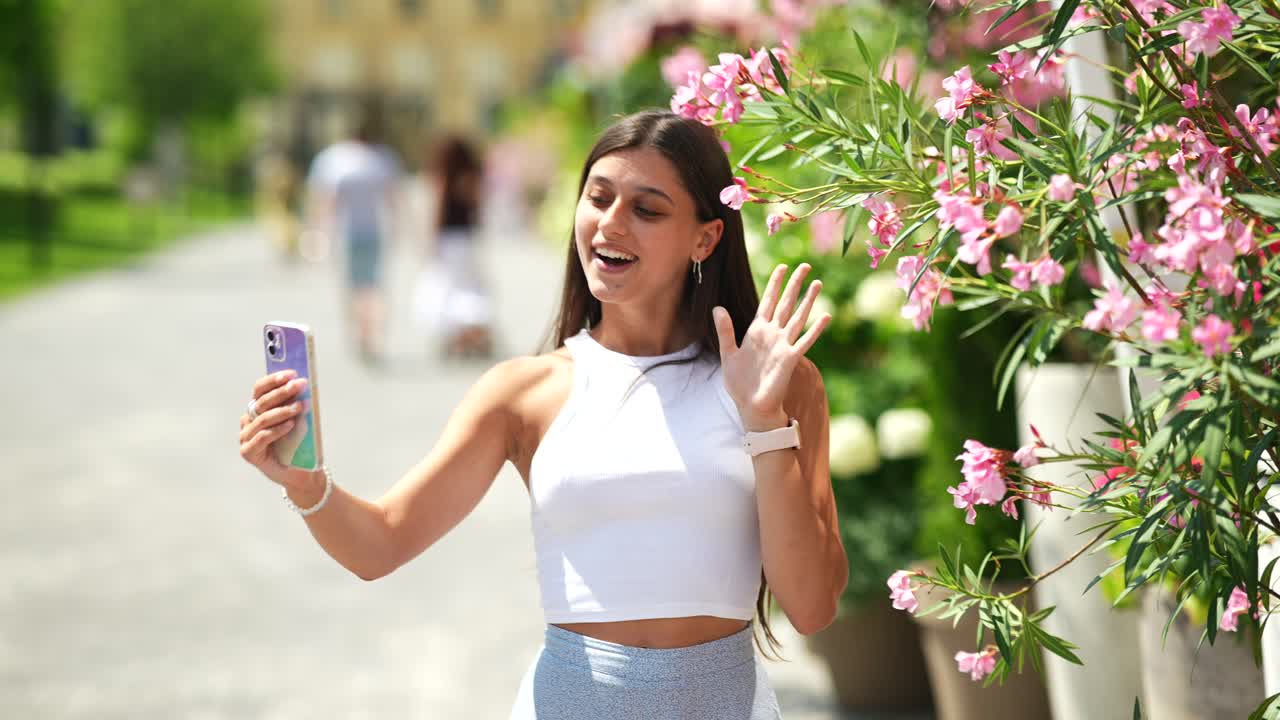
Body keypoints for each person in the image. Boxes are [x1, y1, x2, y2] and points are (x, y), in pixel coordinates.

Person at [238, 110, 847, 718]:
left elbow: (812, 606)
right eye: (599, 198)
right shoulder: (524, 391)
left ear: (705, 238)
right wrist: (304, 481)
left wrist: (765, 422)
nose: (610, 223)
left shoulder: (776, 384)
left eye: (648, 209)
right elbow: (382, 544)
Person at [304, 111, 402, 364]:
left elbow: (324, 201)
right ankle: (370, 334)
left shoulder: (335, 159)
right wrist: (398, 230)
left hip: (347, 233)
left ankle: (361, 333)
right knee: (372, 286)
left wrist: (316, 233)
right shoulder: (380, 159)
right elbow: (393, 200)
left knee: (353, 287)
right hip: (373, 230)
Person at [414, 135, 495, 359]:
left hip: (447, 239)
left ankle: (460, 334)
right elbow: (479, 208)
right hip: (467, 238)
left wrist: (429, 241)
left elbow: (436, 211)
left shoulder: (443, 177)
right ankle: (470, 332)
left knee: (447, 288)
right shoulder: (471, 178)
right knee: (469, 286)